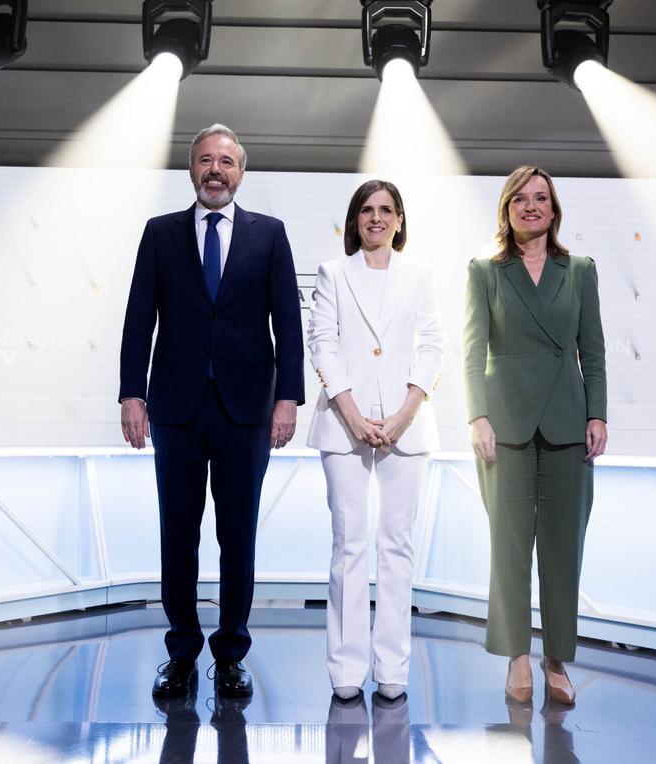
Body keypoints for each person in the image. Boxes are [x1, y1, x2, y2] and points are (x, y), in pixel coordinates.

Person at [120, 123, 305, 699]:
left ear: (241, 172)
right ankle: (181, 652)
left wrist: (287, 398)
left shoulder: (269, 235)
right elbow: (138, 318)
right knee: (177, 535)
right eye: (205, 160)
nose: (215, 170)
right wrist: (131, 394)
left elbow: (288, 324)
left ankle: (230, 654)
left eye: (226, 161)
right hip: (175, 410)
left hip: (246, 411)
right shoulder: (160, 233)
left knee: (237, 537)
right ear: (191, 169)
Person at [463, 166, 607, 706]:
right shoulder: (485, 271)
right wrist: (477, 416)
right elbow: (472, 351)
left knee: (563, 549)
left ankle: (557, 659)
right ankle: (517, 656)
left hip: (568, 422)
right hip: (505, 425)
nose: (531, 206)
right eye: (520, 198)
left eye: (541, 198)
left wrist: (598, 414)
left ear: (554, 208)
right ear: (506, 208)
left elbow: (592, 350)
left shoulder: (580, 270)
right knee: (509, 547)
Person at [307, 179, 444, 701]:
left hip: (406, 424)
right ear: (354, 219)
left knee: (397, 545)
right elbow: (322, 344)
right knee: (349, 543)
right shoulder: (332, 273)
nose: (377, 218)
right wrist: (351, 412)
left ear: (400, 220)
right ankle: (345, 669)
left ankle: (393, 669)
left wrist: (407, 411)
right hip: (345, 423)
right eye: (367, 209)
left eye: (387, 210)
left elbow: (433, 346)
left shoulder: (420, 275)